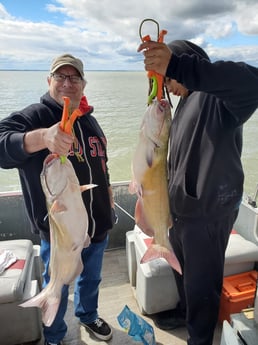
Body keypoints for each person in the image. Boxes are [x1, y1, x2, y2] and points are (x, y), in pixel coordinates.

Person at [137, 39, 258, 345]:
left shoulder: (218, 100)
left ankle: (199, 338)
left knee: (202, 285)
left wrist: (179, 67)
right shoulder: (184, 103)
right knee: (184, 276)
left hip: (207, 214)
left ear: (188, 64)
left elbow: (251, 82)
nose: (169, 86)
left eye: (169, 78)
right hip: (179, 213)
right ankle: (183, 311)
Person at [0, 54, 116, 345]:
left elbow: (102, 166)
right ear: (48, 81)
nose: (67, 83)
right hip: (59, 231)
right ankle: (55, 335)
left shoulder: (91, 122)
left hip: (97, 226)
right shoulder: (35, 115)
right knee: (59, 286)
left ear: (83, 83)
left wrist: (110, 196)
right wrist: (41, 138)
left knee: (91, 280)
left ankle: (88, 315)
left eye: (74, 77)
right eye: (60, 77)